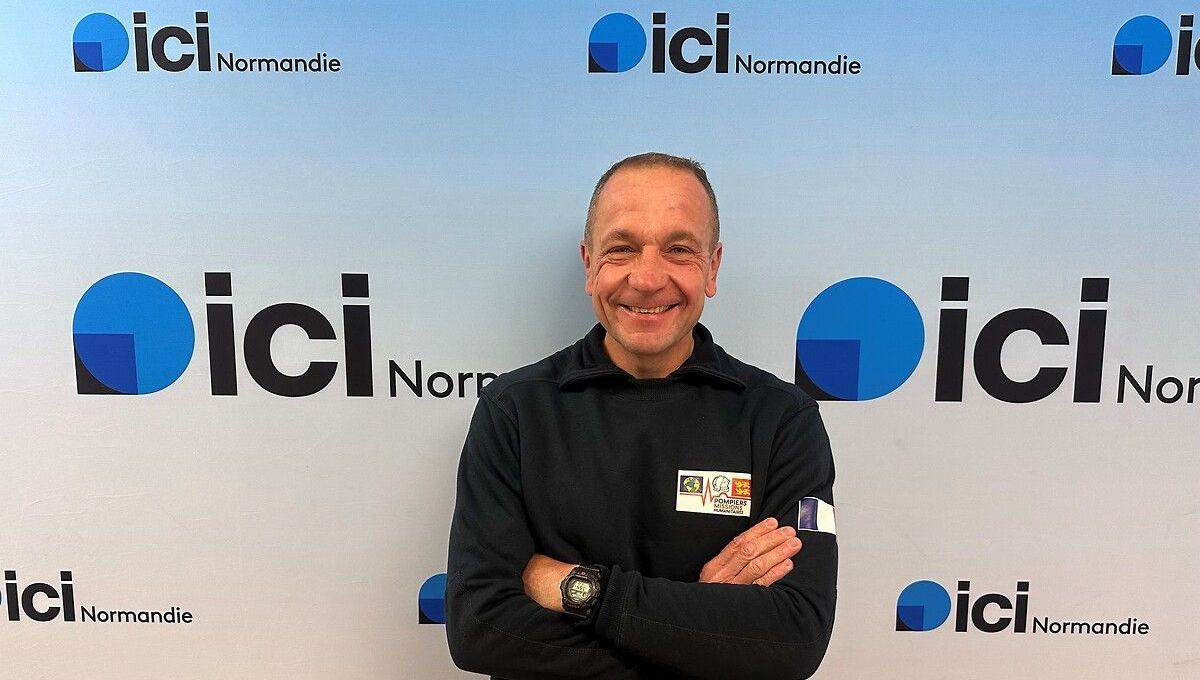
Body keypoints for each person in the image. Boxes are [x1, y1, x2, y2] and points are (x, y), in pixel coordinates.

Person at [446, 153, 837, 680]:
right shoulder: (513, 411)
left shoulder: (783, 420)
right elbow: (479, 629)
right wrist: (701, 631)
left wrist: (579, 588)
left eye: (679, 250)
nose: (648, 279)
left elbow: (794, 636)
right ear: (589, 265)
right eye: (622, 248)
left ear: (713, 267)